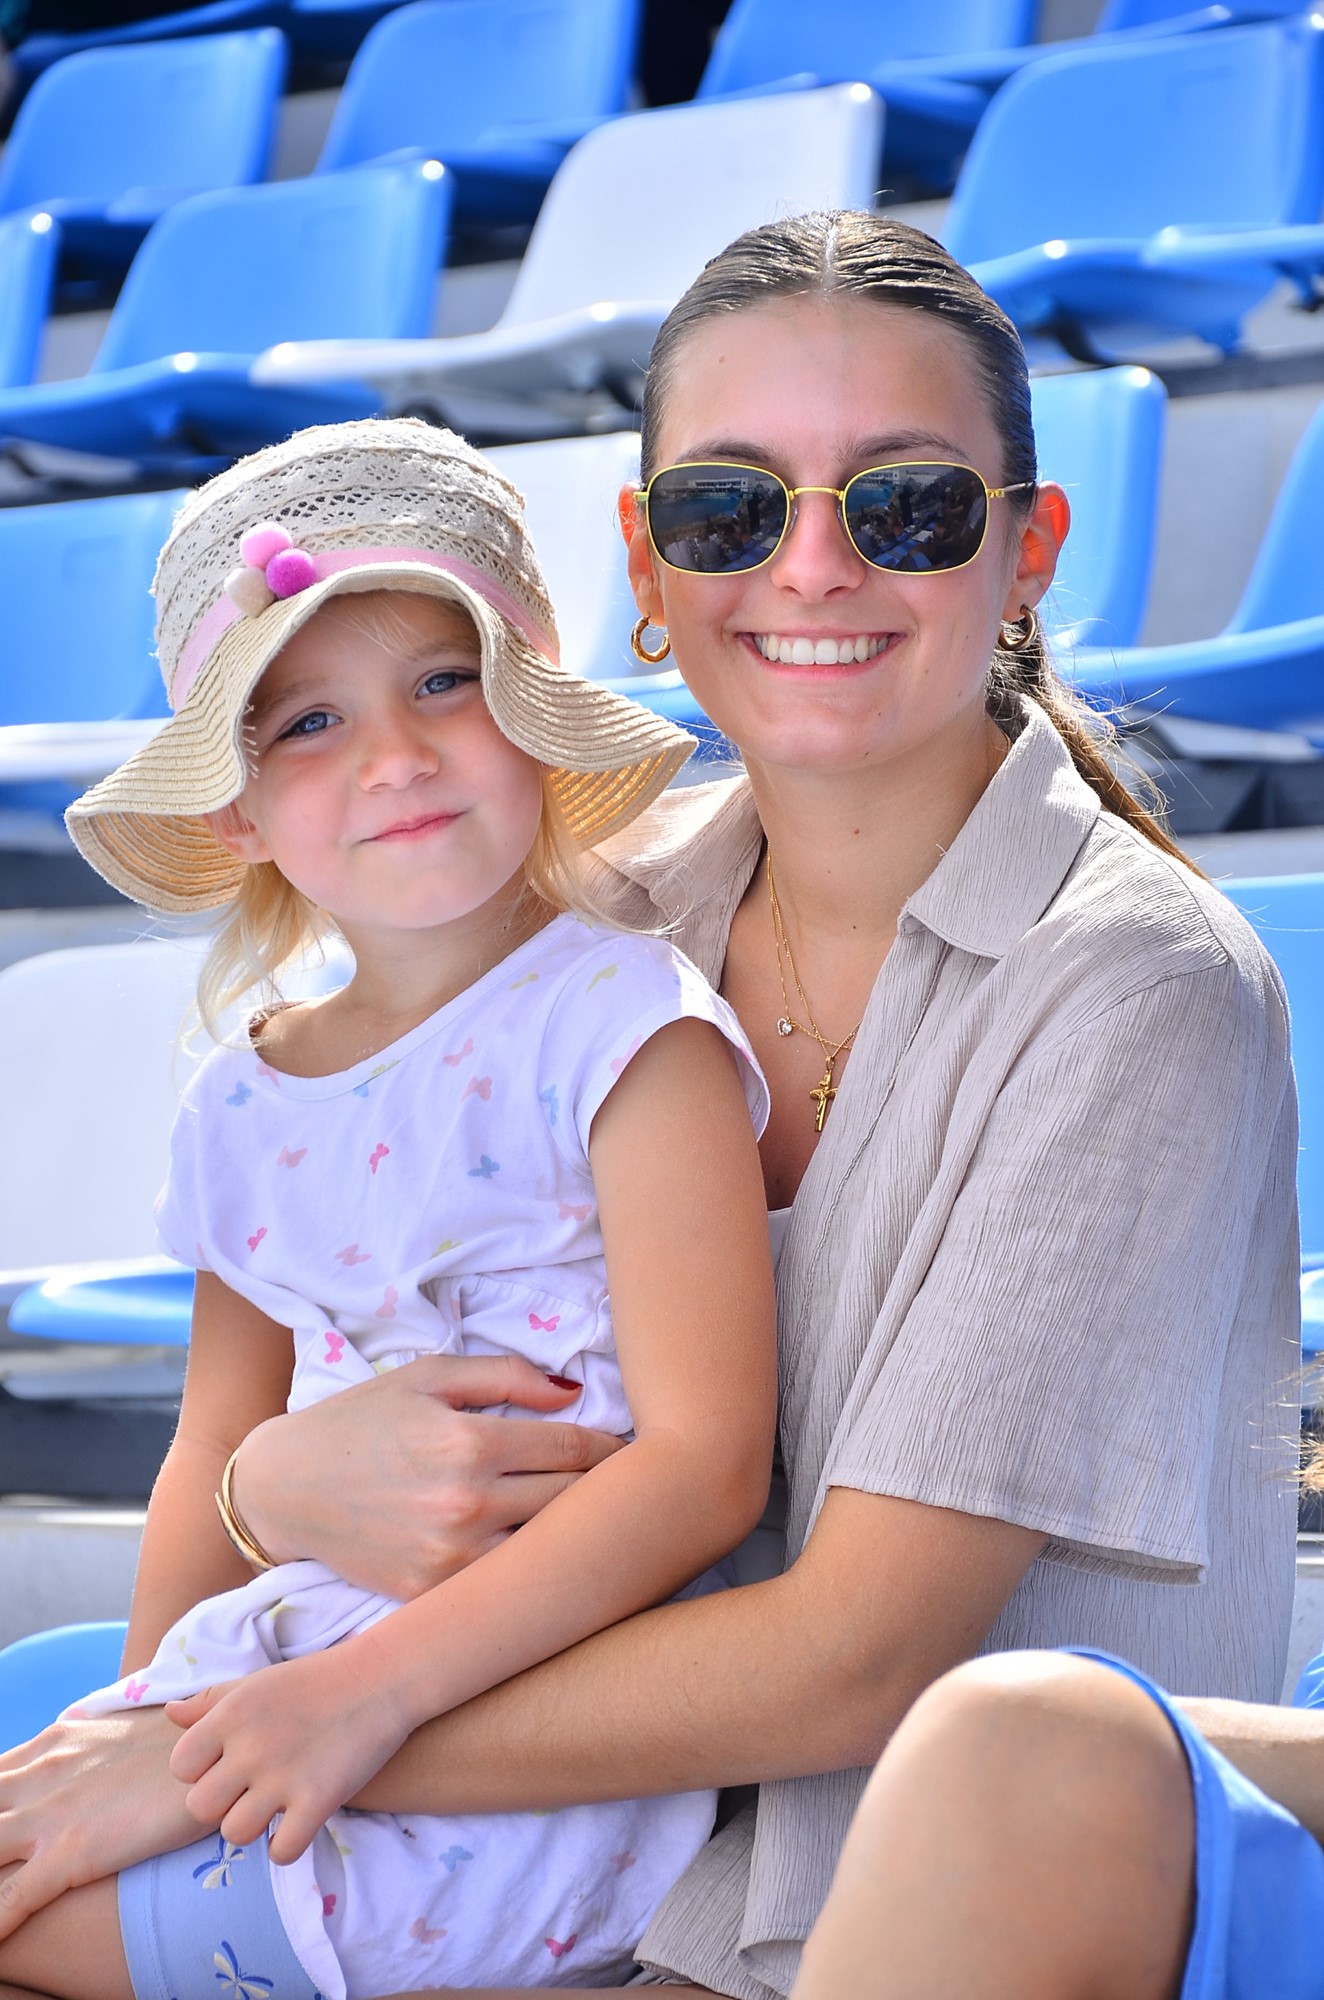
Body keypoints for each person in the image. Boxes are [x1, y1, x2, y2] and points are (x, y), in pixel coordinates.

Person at [0, 210, 1301, 2000]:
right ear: (648, 561)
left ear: (1027, 552)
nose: (814, 568)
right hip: (588, 1886)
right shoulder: (574, 919)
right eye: (730, 511)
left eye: (910, 506)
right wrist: (259, 1490)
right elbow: (294, 1383)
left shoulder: (1141, 984)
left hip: (893, 1905)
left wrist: (232, 1748)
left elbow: (855, 1662)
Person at [0, 416, 779, 2000]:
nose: (397, 759)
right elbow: (214, 1453)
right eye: (309, 722)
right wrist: (145, 1732)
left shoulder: (631, 1030)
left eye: (443, 683)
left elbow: (706, 1470)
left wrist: (348, 1702)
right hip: (282, 1696)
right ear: (237, 813)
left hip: (513, 1737)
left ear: (533, 714)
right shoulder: (241, 1101)